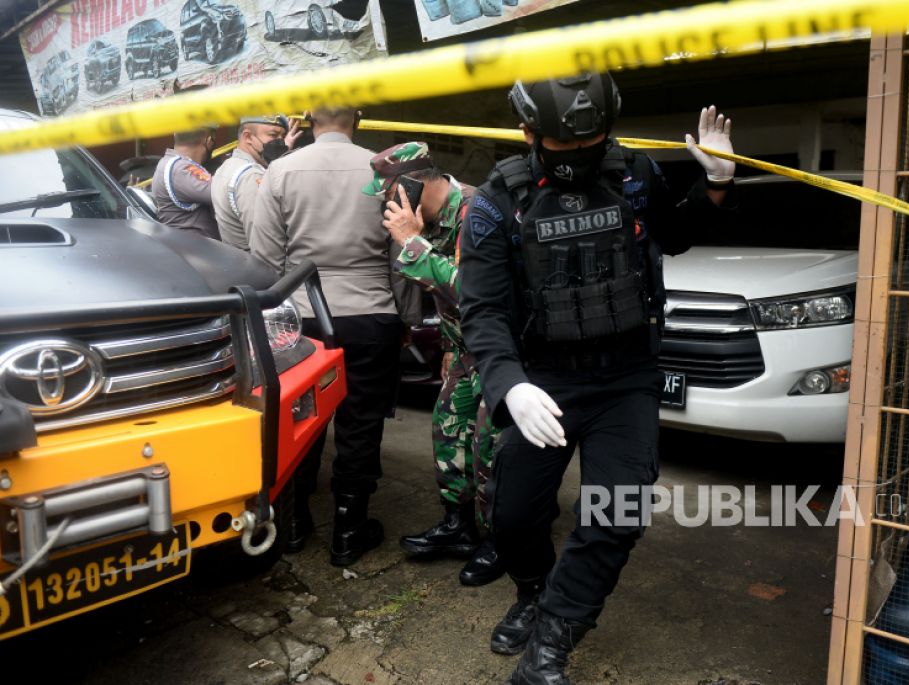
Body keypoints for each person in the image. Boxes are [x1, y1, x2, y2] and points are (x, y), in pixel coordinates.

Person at [458, 72, 737, 684]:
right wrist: (509, 384)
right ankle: (533, 593)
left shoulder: (634, 175)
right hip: (544, 380)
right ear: (527, 132)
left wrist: (714, 182)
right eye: (564, 146)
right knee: (511, 517)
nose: (581, 158)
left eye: (593, 141)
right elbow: (482, 309)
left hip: (625, 377)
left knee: (619, 511)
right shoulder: (495, 201)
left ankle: (552, 640)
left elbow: (679, 234)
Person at [249, 107, 404, 566]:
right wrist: (405, 319)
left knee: (302, 420)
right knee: (361, 421)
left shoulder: (279, 170)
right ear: (358, 117)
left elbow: (264, 256)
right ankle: (349, 530)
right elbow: (400, 253)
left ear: (311, 118)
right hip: (370, 310)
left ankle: (294, 525)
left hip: (304, 316)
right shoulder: (381, 169)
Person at [362, 141, 504, 586]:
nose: (385, 203)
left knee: (492, 448)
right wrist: (447, 346)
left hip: (501, 353)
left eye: (389, 193)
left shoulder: (478, 211)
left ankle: (503, 539)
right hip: (465, 351)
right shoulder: (434, 219)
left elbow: (473, 291)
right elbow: (447, 303)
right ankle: (459, 525)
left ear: (413, 183)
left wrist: (412, 243)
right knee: (449, 431)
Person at [211, 114, 301, 251]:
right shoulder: (251, 176)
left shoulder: (227, 167)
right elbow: (266, 243)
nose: (280, 142)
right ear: (248, 137)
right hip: (259, 265)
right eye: (273, 135)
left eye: (282, 137)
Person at [151, 126, 220, 239]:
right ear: (208, 141)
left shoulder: (169, 163)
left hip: (187, 248)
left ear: (174, 135)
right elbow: (224, 192)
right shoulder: (180, 169)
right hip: (195, 252)